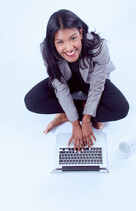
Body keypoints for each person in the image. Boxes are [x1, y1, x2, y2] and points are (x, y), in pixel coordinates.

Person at [24, 9, 129, 151]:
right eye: (60, 42)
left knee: (121, 108)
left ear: (80, 33)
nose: (69, 48)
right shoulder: (46, 51)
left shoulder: (98, 46)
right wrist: (74, 123)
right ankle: (67, 115)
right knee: (31, 101)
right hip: (67, 81)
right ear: (52, 42)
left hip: (91, 81)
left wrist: (86, 120)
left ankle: (77, 111)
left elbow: (98, 84)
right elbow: (60, 87)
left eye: (73, 38)